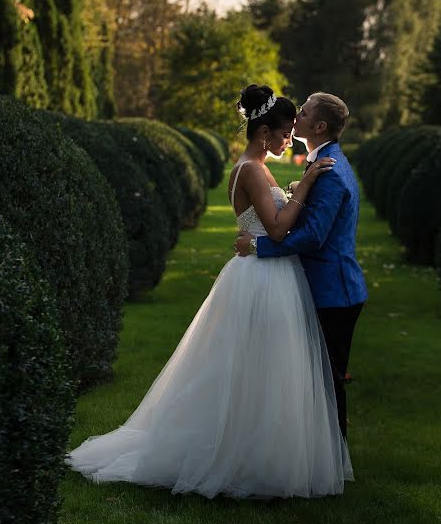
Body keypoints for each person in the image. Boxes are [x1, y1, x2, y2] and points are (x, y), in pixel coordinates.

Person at [66, 84, 353, 499]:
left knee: (265, 372)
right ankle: (237, 456)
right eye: (285, 132)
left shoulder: (258, 166)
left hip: (268, 273)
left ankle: (261, 453)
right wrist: (304, 187)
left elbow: (273, 221)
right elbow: (275, 228)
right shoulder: (252, 170)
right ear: (263, 134)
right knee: (255, 371)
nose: (290, 139)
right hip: (261, 279)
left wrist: (292, 196)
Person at [236, 92, 367, 439]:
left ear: (319, 125)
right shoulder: (321, 162)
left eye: (304, 113)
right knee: (317, 378)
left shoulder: (329, 171)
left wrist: (257, 245)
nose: (296, 118)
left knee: (328, 380)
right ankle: (320, 456)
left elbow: (312, 237)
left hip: (334, 290)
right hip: (323, 285)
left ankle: (333, 460)